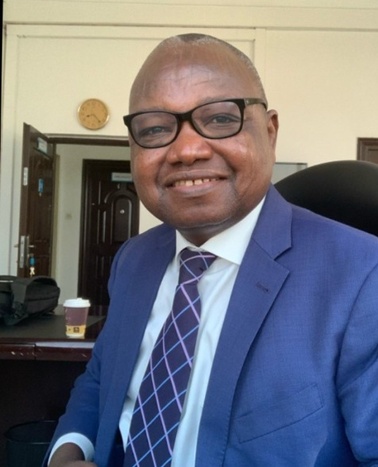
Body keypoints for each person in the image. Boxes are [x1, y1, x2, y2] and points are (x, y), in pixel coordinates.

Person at [46, 33, 378, 466]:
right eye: (155, 128)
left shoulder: (363, 275)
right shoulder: (133, 259)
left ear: (271, 131)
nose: (186, 150)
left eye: (221, 119)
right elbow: (101, 380)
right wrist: (68, 452)